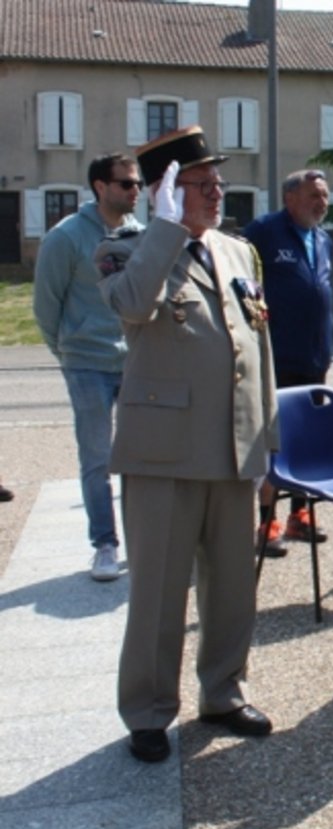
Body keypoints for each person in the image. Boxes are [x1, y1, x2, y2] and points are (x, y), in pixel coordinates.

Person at [96, 126, 278, 763]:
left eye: (218, 183)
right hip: (164, 453)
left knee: (232, 588)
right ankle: (148, 711)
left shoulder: (238, 251)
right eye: (200, 184)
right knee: (159, 593)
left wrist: (267, 442)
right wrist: (168, 229)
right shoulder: (126, 250)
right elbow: (131, 307)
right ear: (163, 193)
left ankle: (224, 692)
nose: (216, 194)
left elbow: (259, 345)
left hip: (232, 447)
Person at [32, 152, 141, 581]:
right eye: (127, 183)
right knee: (97, 458)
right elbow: (46, 306)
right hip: (86, 364)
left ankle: (142, 540)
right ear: (101, 187)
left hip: (134, 362)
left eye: (138, 184)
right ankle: (105, 545)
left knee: (141, 456)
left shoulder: (139, 234)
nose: (136, 190)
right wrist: (67, 354)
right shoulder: (65, 237)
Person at [244, 168, 333, 558]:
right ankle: (267, 521)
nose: (322, 202)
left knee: (306, 440)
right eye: (314, 195)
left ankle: (301, 513)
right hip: (276, 357)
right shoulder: (264, 232)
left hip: (315, 357)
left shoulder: (323, 238)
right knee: (273, 442)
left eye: (325, 195)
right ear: (290, 198)